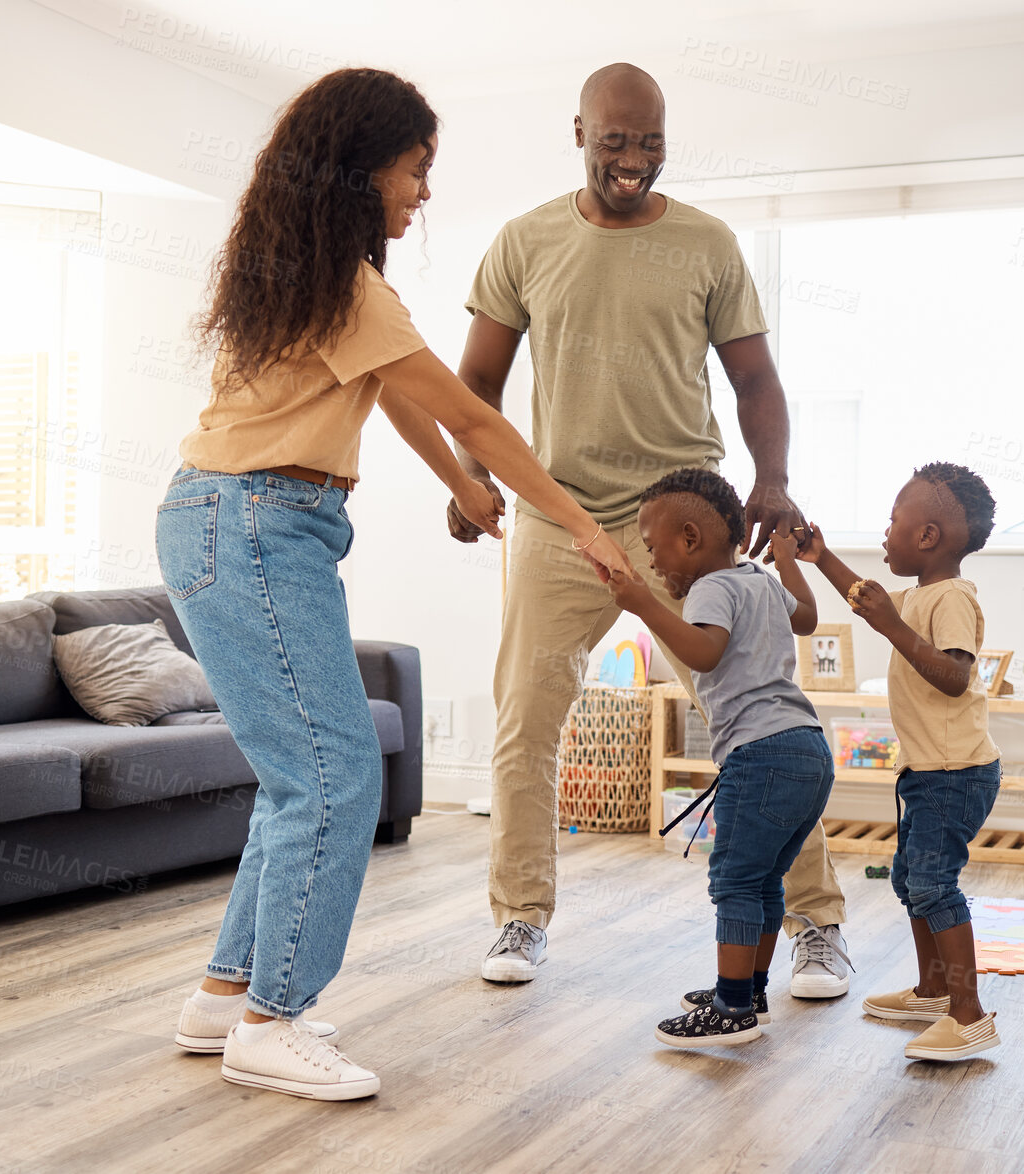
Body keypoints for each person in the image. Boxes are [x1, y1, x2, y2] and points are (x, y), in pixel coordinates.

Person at [158, 67, 634, 1101]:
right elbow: (476, 412)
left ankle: (224, 996)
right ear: (361, 167)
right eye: (416, 170)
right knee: (336, 775)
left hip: (237, 519)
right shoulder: (343, 284)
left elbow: (406, 403)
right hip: (253, 524)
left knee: (301, 776)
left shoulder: (312, 276)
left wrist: (463, 485)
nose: (422, 193)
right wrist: (583, 522)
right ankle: (272, 1023)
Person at [448, 62, 852, 996]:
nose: (634, 159)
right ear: (579, 132)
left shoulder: (707, 243)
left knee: (757, 721)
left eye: (651, 141)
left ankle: (818, 923)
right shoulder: (525, 240)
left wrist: (774, 480)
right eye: (616, 140)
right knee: (525, 721)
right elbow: (475, 385)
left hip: (689, 516)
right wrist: (472, 475)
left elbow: (754, 380)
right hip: (560, 514)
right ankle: (519, 918)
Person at [606, 469, 836, 1047]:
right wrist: (787, 559)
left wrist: (641, 605)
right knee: (764, 879)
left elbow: (704, 654)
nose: (654, 564)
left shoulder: (711, 586)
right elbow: (807, 618)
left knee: (735, 878)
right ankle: (751, 988)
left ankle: (732, 1008)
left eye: (654, 548)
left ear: (690, 537)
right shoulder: (757, 579)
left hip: (759, 753)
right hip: (807, 746)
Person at [794, 462, 1004, 1061]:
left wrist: (891, 625)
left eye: (893, 521)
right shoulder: (918, 595)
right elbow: (868, 601)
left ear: (928, 537)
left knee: (936, 885)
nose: (885, 533)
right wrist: (822, 557)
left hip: (955, 773)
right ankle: (934, 991)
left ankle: (968, 1015)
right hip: (926, 771)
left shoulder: (953, 598)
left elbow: (955, 678)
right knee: (912, 882)